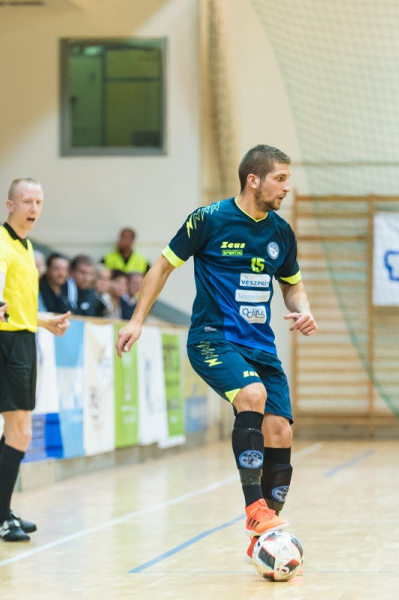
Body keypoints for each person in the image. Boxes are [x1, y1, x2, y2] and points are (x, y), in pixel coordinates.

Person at [116, 144, 317, 564]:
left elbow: (292, 284)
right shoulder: (208, 219)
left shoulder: (281, 233)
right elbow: (162, 267)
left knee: (280, 432)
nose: (287, 187)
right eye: (280, 178)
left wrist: (303, 309)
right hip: (213, 339)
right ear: (253, 180)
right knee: (253, 396)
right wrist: (136, 320)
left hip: (261, 347)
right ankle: (254, 509)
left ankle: (265, 537)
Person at [0, 178, 70, 542]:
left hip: (23, 338)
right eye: (27, 201)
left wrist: (44, 321)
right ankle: (1, 517)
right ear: (10, 205)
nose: (34, 208)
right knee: (19, 431)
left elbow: (21, 304)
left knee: (16, 431)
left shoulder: (26, 245)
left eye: (38, 202)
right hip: (3, 341)